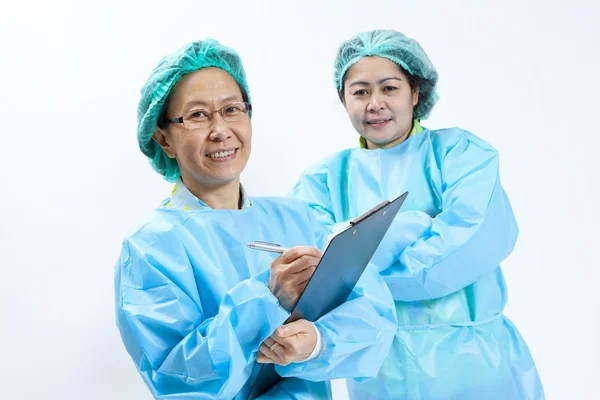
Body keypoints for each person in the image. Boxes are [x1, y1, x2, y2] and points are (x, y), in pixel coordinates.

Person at [114, 38, 397, 400]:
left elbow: (374, 311)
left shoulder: (298, 217)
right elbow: (177, 378)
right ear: (164, 139)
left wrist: (317, 343)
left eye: (232, 109)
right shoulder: (151, 247)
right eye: (198, 115)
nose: (220, 129)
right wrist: (266, 298)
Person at [290, 29, 545, 399]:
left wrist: (362, 266)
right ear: (343, 99)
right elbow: (312, 269)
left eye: (389, 88)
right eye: (360, 91)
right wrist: (418, 227)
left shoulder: (461, 154)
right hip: (378, 370)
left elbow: (467, 242)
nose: (374, 103)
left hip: (473, 360)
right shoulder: (323, 179)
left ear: (416, 92)